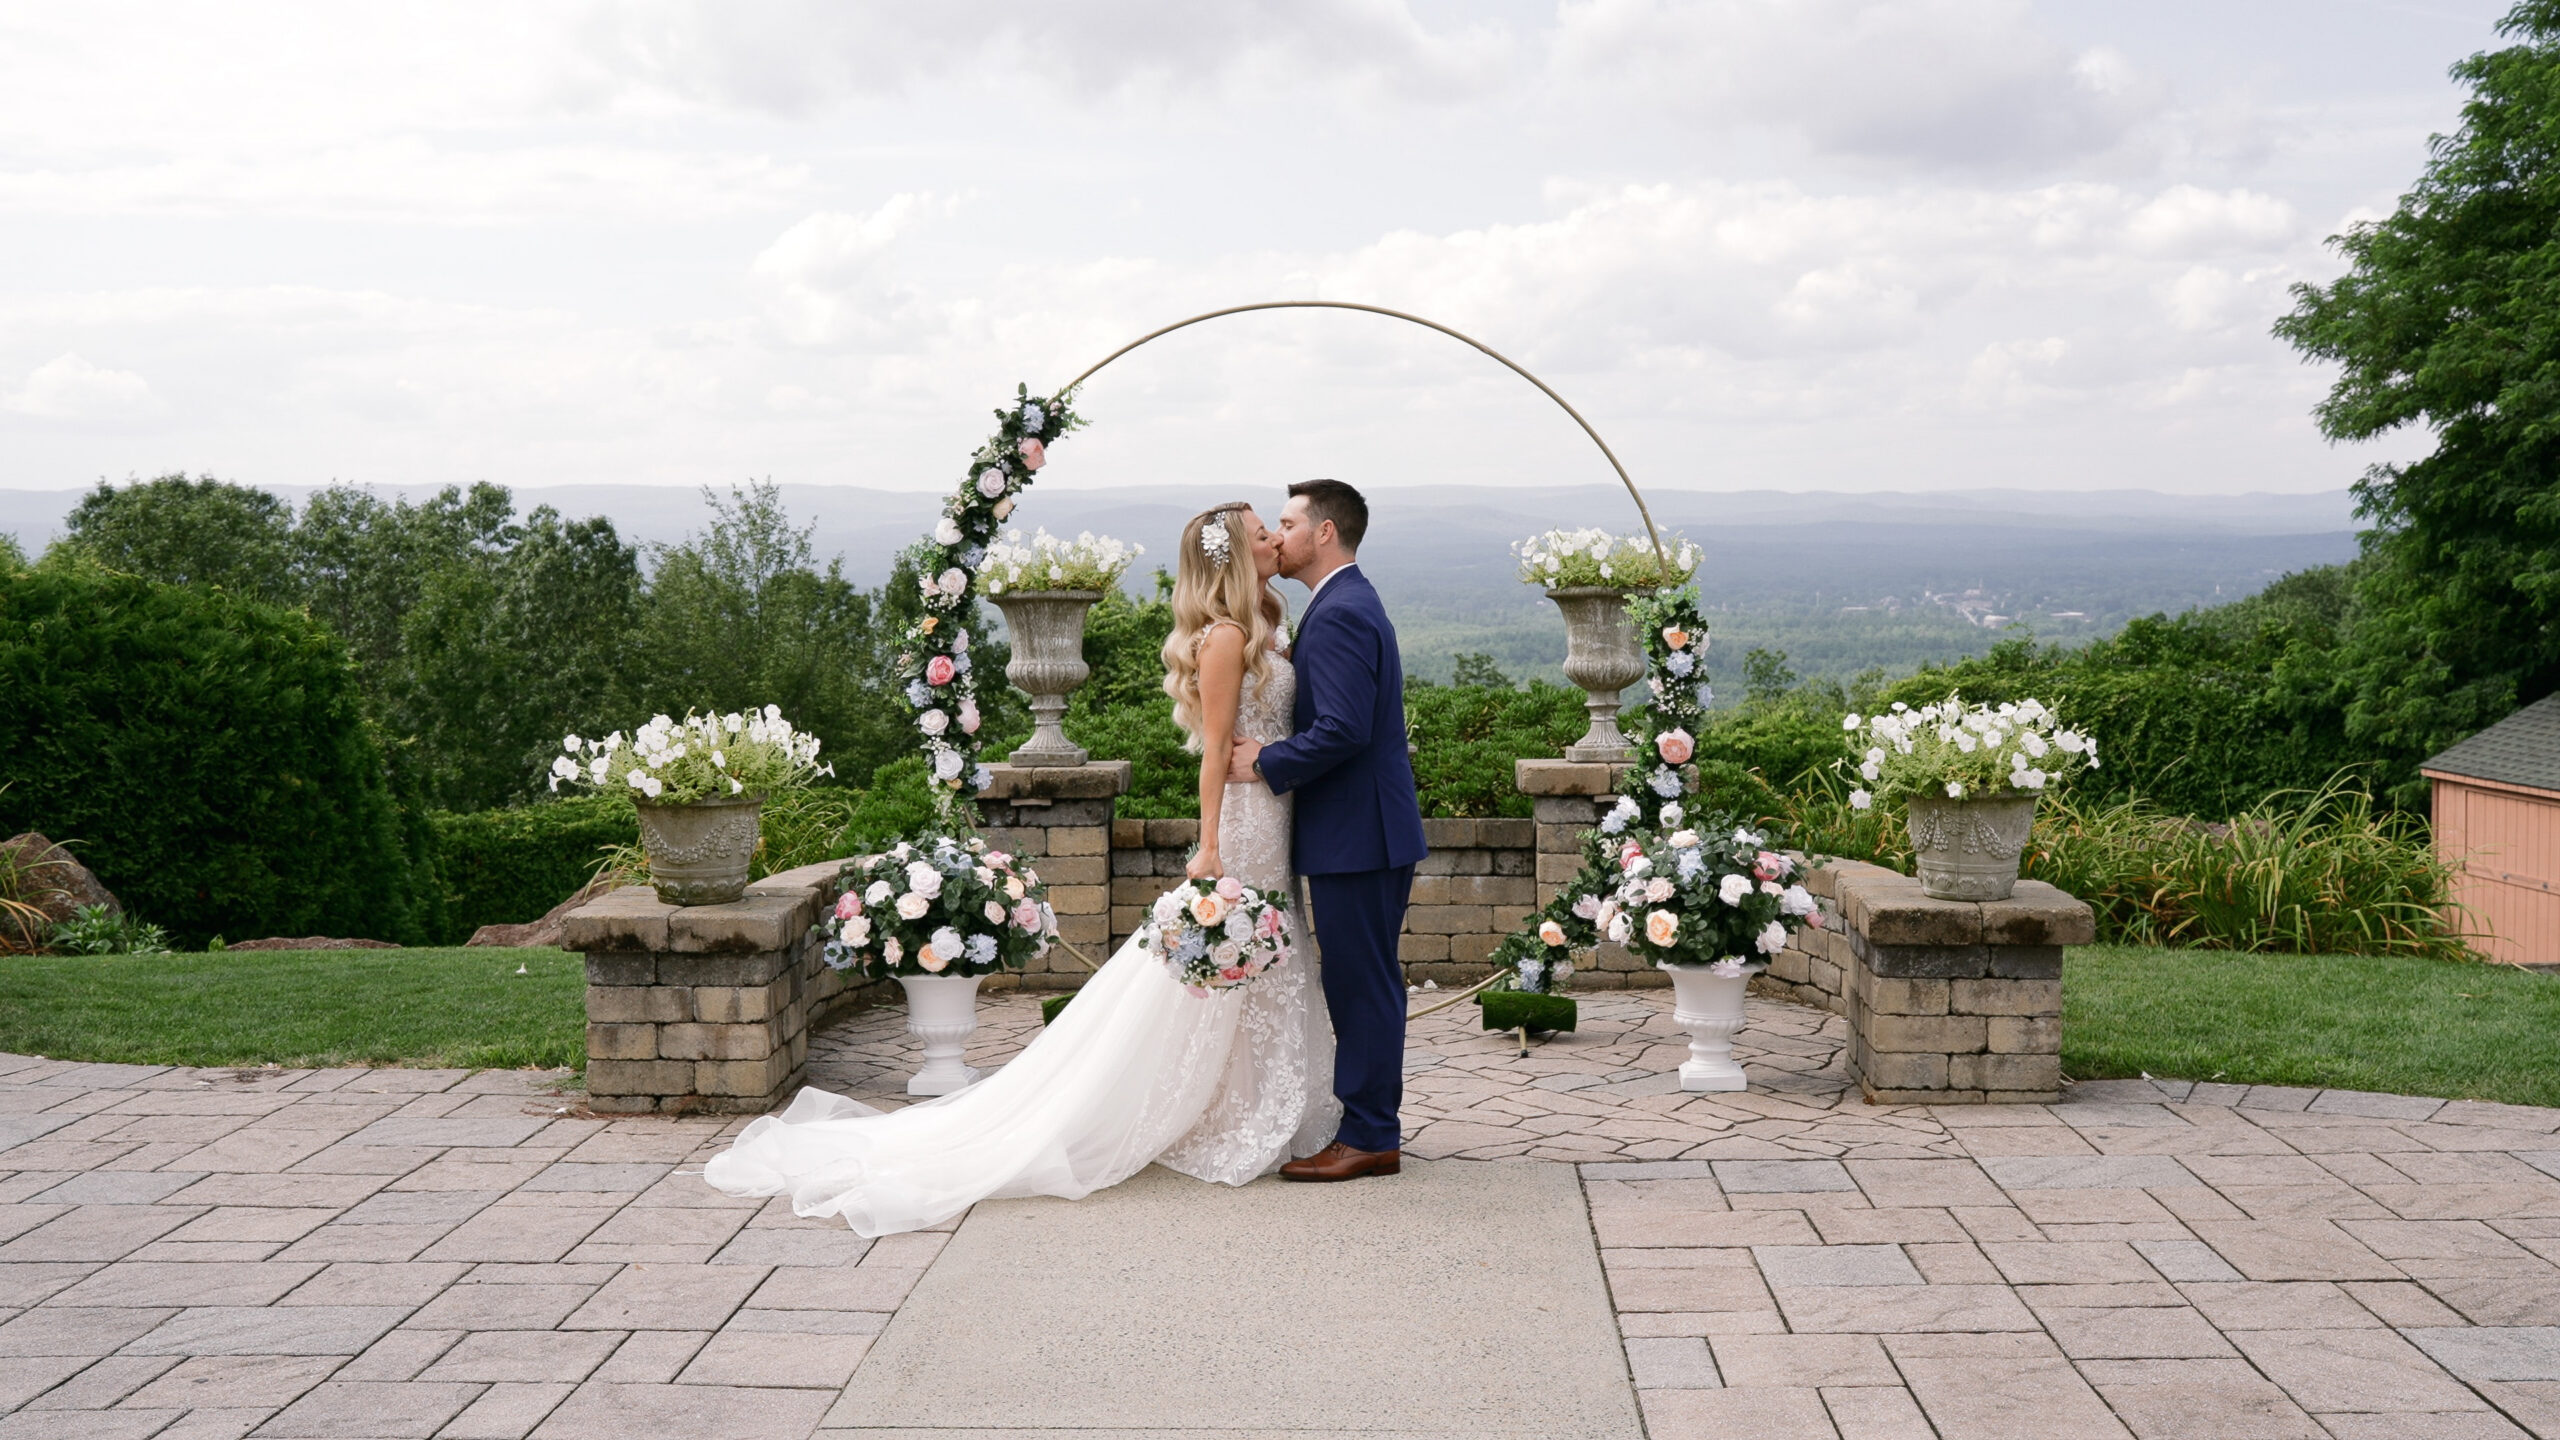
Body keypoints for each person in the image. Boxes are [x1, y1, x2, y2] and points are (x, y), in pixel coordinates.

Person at [700, 502, 1338, 1236]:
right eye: (1261, 534)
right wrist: (1210, 845)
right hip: (1245, 825)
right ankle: (1226, 1117)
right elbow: (1217, 754)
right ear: (1231, 557)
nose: (1272, 540)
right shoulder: (1225, 638)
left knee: (1260, 968)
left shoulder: (1266, 621)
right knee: (1233, 967)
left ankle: (1253, 1108)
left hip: (1275, 819)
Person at [1230, 479, 1429, 1182]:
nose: (1277, 535)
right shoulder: (1338, 601)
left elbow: (1342, 729)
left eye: (1286, 522)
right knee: (1361, 980)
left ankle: (1372, 1133)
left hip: (1360, 834)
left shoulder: (1341, 611)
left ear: (1323, 534)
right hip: (1360, 831)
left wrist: (1265, 763)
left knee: (1362, 984)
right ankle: (1369, 1124)